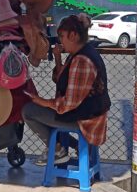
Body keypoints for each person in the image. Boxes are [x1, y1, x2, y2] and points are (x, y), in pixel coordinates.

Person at [22, 14, 111, 165]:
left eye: (62, 36)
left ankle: (57, 150)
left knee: (29, 111)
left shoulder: (82, 60)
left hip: (87, 120)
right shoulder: (79, 53)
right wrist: (57, 58)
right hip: (85, 113)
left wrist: (43, 102)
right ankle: (69, 146)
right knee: (36, 109)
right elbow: (60, 79)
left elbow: (68, 104)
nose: (60, 40)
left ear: (74, 35)